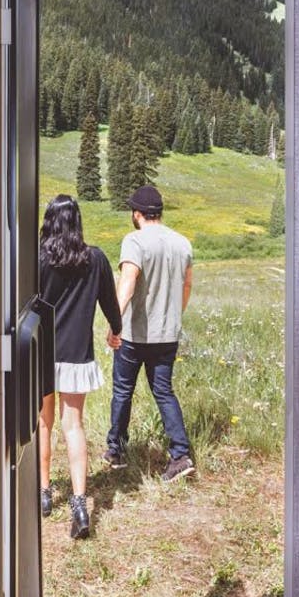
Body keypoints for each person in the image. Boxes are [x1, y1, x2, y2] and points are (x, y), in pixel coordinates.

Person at [39, 195, 122, 539]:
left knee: (42, 421)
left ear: (50, 221)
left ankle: (44, 493)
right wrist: (116, 332)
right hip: (76, 353)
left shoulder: (40, 258)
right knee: (73, 425)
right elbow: (110, 303)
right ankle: (79, 503)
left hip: (42, 350)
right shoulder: (96, 259)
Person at [103, 185, 196, 482]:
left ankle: (115, 451)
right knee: (164, 392)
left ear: (137, 214)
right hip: (167, 334)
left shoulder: (135, 240)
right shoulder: (183, 243)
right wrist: (172, 317)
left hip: (134, 334)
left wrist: (114, 324)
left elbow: (128, 283)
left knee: (122, 391)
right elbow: (186, 286)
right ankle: (180, 454)